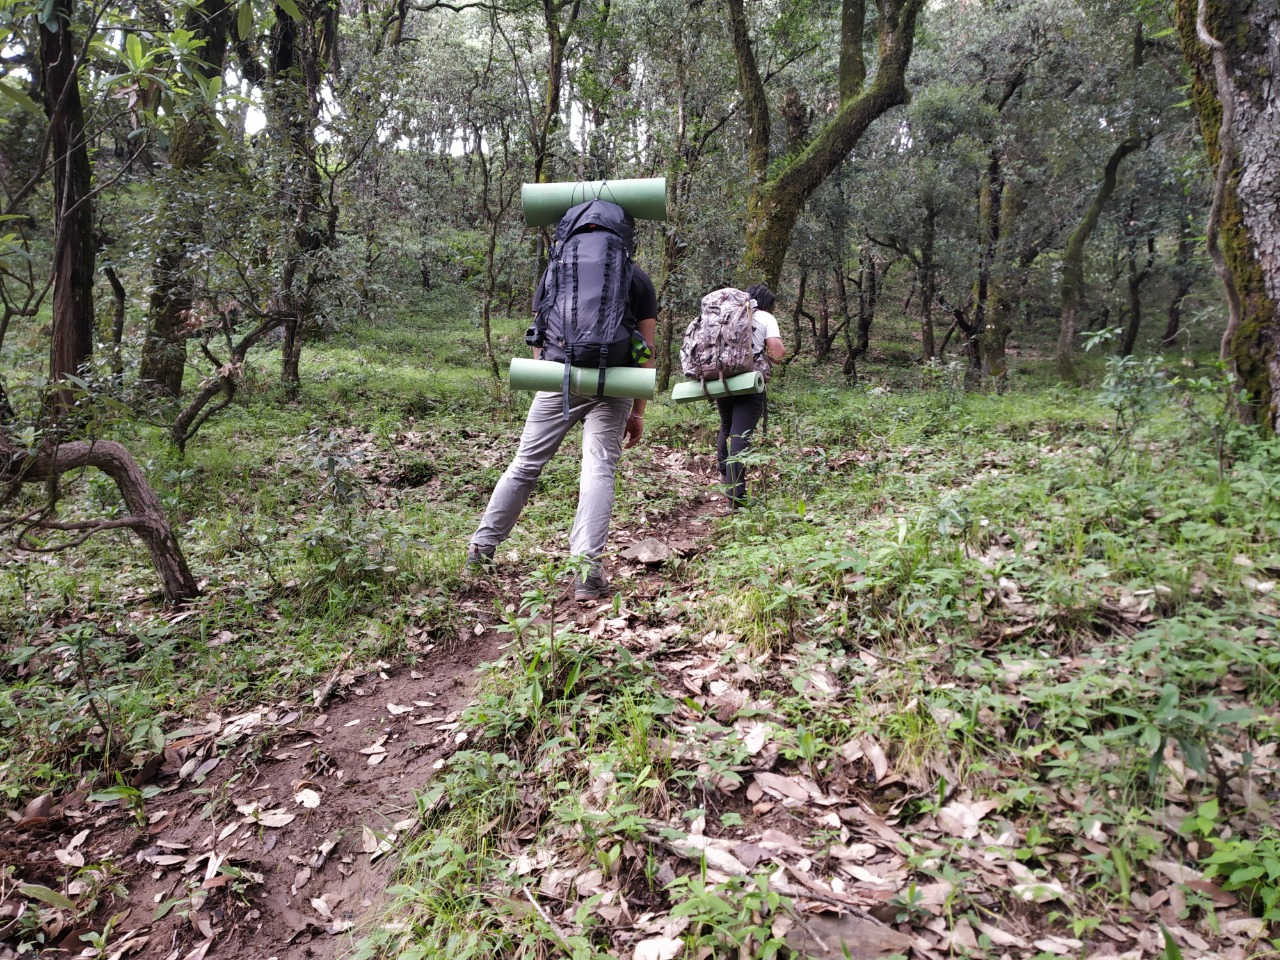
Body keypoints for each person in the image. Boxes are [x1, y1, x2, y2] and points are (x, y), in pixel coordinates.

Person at [466, 252, 658, 601]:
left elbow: (538, 334)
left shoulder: (557, 268)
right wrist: (638, 411)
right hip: (613, 385)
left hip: (559, 379)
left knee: (524, 465)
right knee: (598, 471)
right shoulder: (637, 277)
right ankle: (587, 573)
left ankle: (481, 548)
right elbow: (647, 352)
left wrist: (551, 375)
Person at [717, 282, 785, 509]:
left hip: (723, 381)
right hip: (750, 384)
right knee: (740, 435)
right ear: (767, 303)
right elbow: (777, 352)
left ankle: (725, 478)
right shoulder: (766, 317)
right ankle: (735, 497)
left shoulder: (728, 314)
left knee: (726, 427)